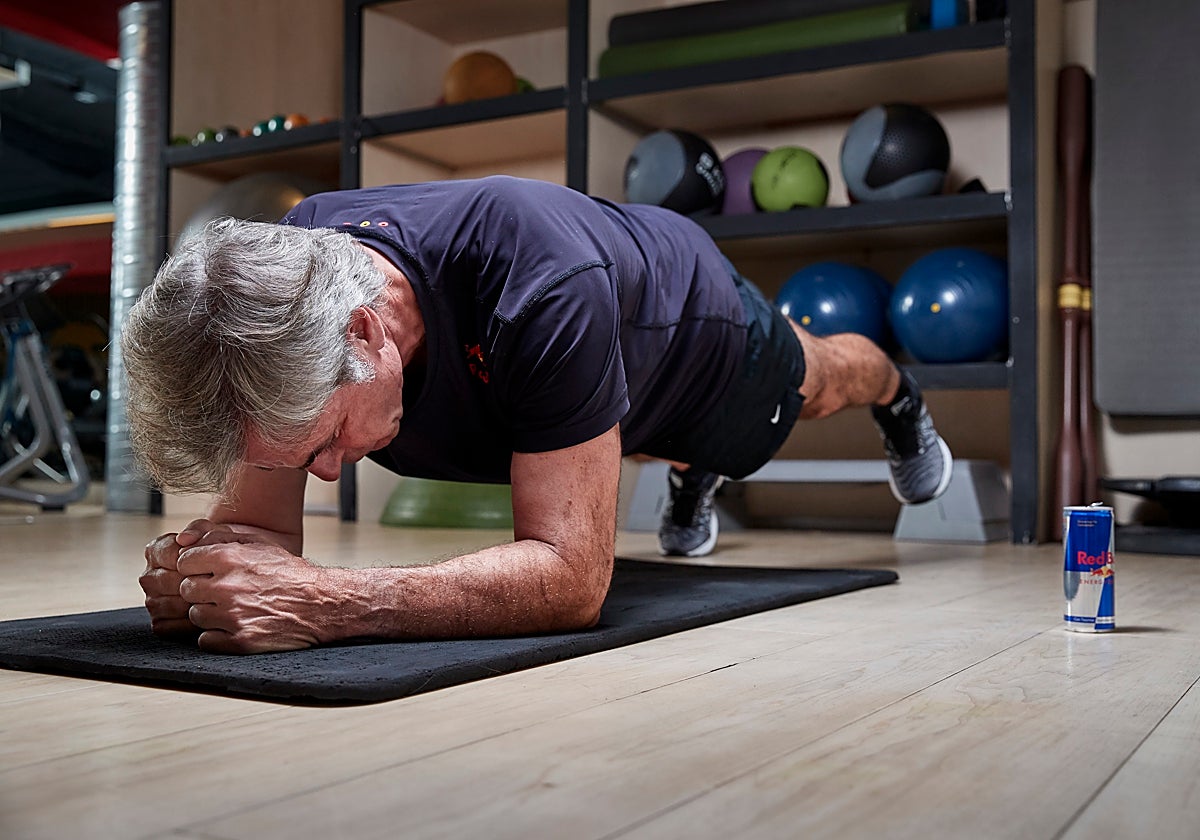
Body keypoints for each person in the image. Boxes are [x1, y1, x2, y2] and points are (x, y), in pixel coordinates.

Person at [127, 175, 951, 654]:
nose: (333, 472)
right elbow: (259, 543)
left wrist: (328, 602)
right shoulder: (275, 305)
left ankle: (899, 400)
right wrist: (209, 581)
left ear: (367, 333)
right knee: (576, 434)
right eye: (305, 458)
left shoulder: (539, 282)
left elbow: (572, 583)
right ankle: (685, 470)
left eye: (329, 441)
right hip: (565, 384)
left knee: (822, 381)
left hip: (697, 341)